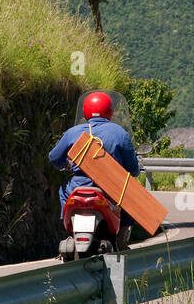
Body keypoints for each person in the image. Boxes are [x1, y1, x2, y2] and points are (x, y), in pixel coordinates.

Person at [48, 91, 140, 249]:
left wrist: (65, 165)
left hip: (78, 185)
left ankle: (69, 227)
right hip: (110, 188)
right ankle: (122, 238)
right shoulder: (119, 133)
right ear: (109, 111)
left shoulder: (73, 132)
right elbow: (133, 169)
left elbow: (54, 157)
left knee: (63, 189)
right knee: (128, 195)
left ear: (85, 111)